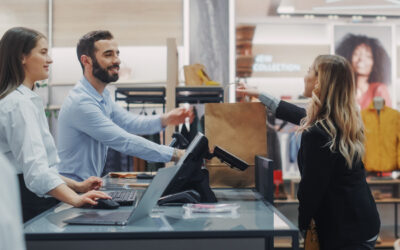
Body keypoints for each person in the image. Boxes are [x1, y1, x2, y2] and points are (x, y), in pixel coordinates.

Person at [238, 55, 380, 249]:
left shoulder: (317, 133)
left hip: (345, 230)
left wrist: (302, 230)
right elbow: (299, 115)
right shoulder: (341, 121)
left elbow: (311, 190)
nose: (305, 76)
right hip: (363, 220)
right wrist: (260, 95)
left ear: (319, 82)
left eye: (309, 71)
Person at [0, 27, 111, 222]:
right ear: (22, 57)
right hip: (24, 203)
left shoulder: (24, 99)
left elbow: (40, 168)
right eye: (43, 53)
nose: (50, 59)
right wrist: (75, 199)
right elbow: (35, 171)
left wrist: (77, 186)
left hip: (24, 196)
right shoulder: (19, 104)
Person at [56, 30, 193, 181]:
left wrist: (164, 120)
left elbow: (129, 122)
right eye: (108, 55)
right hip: (70, 192)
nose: (117, 60)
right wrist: (176, 154)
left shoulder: (101, 96)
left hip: (86, 188)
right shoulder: (81, 103)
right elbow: (124, 141)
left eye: (117, 54)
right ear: (86, 61)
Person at [336, 33, 391, 109]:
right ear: (347, 57)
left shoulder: (379, 89)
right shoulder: (340, 90)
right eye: (356, 54)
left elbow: (386, 118)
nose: (361, 59)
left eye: (368, 56)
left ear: (375, 62)